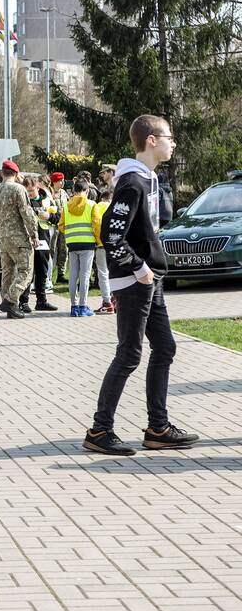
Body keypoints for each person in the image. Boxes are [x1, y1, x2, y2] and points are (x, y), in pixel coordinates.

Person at [83, 115, 198, 456]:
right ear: (151, 140)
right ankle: (99, 430)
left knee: (165, 348)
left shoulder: (147, 178)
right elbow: (110, 234)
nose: (172, 142)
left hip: (151, 279)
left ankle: (157, 428)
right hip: (136, 280)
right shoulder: (132, 181)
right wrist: (138, 267)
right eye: (168, 136)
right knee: (129, 353)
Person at [0, 160, 38, 319]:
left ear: (1, 174)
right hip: (19, 237)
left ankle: (10, 306)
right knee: (26, 271)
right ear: (16, 174)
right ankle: (10, 301)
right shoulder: (19, 189)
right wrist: (34, 235)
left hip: (3, 237)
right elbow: (27, 214)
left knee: (7, 272)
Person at [20, 176, 60, 313]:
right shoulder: (22, 200)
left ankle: (41, 301)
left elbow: (58, 218)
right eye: (27, 191)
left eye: (31, 190)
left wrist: (49, 217)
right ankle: (23, 302)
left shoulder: (47, 200)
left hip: (43, 240)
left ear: (38, 187)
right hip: (27, 240)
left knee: (42, 272)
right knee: (27, 272)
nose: (29, 193)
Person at [58, 180, 97, 317]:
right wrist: (98, 240)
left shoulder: (66, 205)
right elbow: (96, 224)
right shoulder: (91, 204)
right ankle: (83, 306)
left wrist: (70, 233)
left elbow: (61, 225)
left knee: (73, 275)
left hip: (72, 243)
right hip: (87, 243)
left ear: (74, 191)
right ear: (87, 191)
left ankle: (73, 307)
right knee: (85, 275)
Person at [92, 187, 115, 314]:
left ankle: (107, 302)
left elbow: (95, 223)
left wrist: (96, 239)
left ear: (102, 197)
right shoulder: (116, 207)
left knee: (103, 273)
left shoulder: (98, 206)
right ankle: (115, 299)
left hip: (101, 244)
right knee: (114, 273)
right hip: (115, 244)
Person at [48, 172, 69, 283]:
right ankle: (49, 274)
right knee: (51, 249)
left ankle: (61, 273)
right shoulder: (49, 193)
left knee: (63, 249)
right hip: (53, 225)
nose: (63, 182)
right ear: (55, 181)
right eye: (60, 180)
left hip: (63, 226)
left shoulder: (64, 193)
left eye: (63, 180)